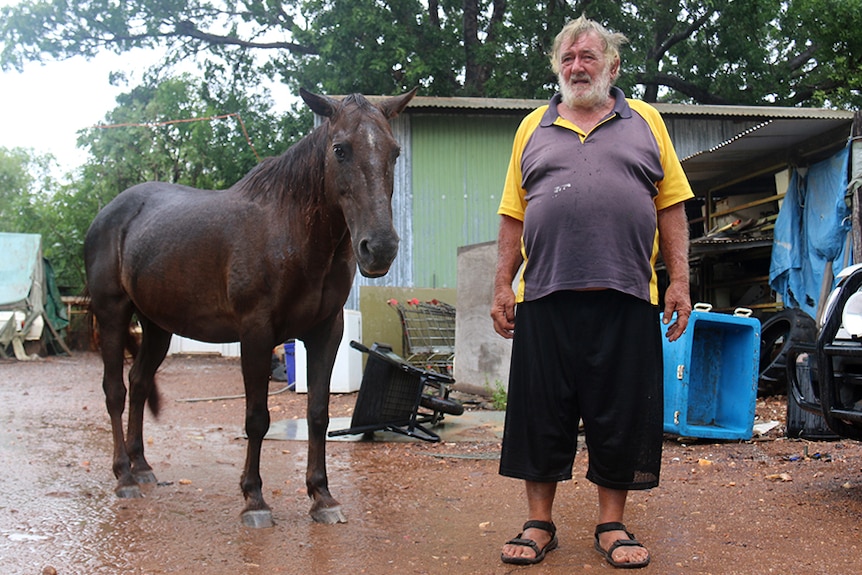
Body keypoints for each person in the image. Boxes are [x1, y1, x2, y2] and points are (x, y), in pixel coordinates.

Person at [491, 15, 693, 568]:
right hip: (546, 294)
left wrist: (679, 280)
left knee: (620, 410)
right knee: (540, 411)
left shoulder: (646, 120)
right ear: (558, 68)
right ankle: (539, 523)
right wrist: (502, 286)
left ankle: (613, 524)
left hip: (626, 292)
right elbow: (514, 213)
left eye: (587, 56)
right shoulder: (532, 127)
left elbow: (671, 204)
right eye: (568, 59)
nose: (577, 67)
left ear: (612, 65)